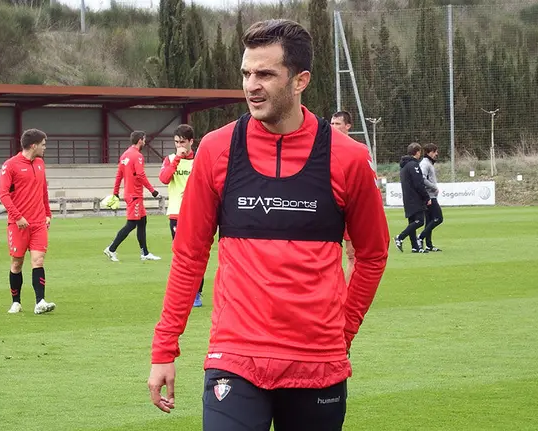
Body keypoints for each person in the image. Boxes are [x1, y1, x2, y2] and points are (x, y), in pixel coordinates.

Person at [147, 19, 389, 431]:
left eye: (265, 74)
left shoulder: (347, 159)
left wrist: (341, 333)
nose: (251, 85)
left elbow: (372, 254)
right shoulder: (217, 149)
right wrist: (164, 348)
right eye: (246, 73)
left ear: (300, 80)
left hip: (317, 362)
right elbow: (189, 255)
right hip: (235, 357)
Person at [0, 128, 56, 315]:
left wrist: (48, 213)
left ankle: (40, 302)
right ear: (34, 145)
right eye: (43, 144)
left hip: (39, 223)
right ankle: (16, 302)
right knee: (17, 263)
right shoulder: (11, 165)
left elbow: (43, 190)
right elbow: (3, 193)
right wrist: (18, 217)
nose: (45, 147)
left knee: (38, 261)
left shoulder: (40, 163)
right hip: (18, 224)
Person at [159, 124, 205, 308]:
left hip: (196, 214)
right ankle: (182, 293)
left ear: (191, 141)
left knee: (196, 255)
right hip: (176, 214)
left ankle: (197, 293)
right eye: (177, 142)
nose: (179, 146)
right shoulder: (170, 159)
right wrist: (177, 159)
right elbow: (164, 178)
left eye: (183, 142)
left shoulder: (200, 159)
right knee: (180, 256)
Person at [104, 131, 161, 262]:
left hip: (131, 194)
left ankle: (145, 253)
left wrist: (116, 192)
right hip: (135, 195)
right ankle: (111, 249)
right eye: (144, 139)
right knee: (131, 224)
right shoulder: (137, 156)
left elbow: (119, 175)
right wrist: (153, 191)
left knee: (142, 222)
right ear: (140, 140)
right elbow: (140, 175)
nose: (145, 141)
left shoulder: (125, 155)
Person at [330, 110, 357, 282]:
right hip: (328, 207)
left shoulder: (355, 150)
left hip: (349, 208)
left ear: (348, 126)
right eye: (331, 124)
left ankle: (347, 296)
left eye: (337, 124)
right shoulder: (323, 149)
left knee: (351, 254)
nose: (333, 127)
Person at [394, 142, 431, 253]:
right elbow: (418, 183)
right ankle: (400, 237)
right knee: (419, 221)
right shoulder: (413, 165)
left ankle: (415, 247)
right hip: (415, 198)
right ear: (417, 152)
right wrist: (426, 197)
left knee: (412, 222)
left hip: (407, 198)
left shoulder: (404, 166)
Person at [418, 143, 443, 252]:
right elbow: (422, 179)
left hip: (430, 195)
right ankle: (421, 237)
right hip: (429, 196)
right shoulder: (425, 164)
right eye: (434, 152)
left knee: (429, 221)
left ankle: (429, 244)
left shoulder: (428, 163)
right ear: (429, 152)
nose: (436, 154)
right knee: (438, 218)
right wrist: (434, 187)